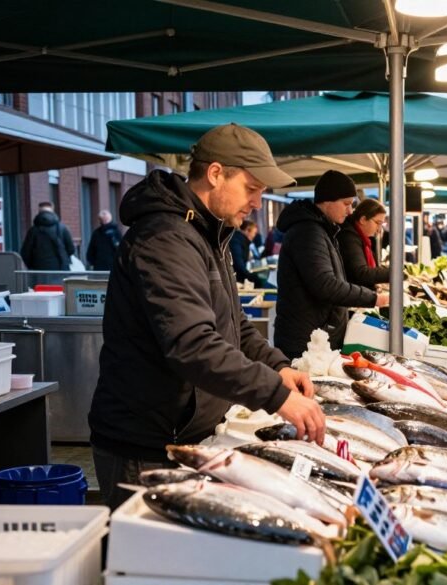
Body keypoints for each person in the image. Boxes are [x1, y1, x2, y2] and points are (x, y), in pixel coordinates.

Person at [88, 123, 324, 509]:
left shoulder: (209, 234)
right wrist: (275, 395)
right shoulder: (166, 238)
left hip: (191, 436)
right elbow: (192, 345)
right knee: (150, 547)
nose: (257, 202)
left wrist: (278, 366)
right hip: (147, 446)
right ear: (215, 173)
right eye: (251, 188)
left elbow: (235, 325)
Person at [274, 170, 390, 356]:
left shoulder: (323, 230)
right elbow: (325, 284)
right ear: (328, 200)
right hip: (306, 342)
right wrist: (374, 298)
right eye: (346, 204)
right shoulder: (308, 232)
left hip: (316, 336)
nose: (350, 211)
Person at [336, 198, 389, 288]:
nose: (379, 229)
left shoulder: (363, 238)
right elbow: (361, 273)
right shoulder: (348, 237)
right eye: (378, 223)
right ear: (363, 220)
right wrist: (395, 273)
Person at [21, 201, 75, 271]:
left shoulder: (33, 231)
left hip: (38, 270)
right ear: (52, 210)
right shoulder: (62, 228)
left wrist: (31, 265)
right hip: (60, 269)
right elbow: (71, 249)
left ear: (39, 212)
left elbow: (25, 253)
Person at [229, 220, 265, 288]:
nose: (254, 236)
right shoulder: (236, 241)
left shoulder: (241, 240)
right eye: (254, 233)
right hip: (237, 278)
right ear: (247, 230)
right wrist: (250, 276)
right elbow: (238, 264)